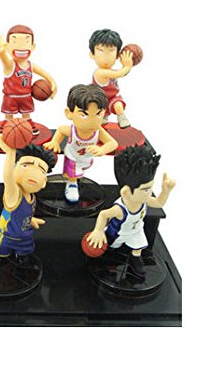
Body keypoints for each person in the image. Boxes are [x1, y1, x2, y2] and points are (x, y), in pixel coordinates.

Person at [85, 145, 176, 277]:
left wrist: (166, 190)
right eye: (145, 190)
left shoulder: (143, 200)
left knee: (138, 247)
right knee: (110, 248)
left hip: (135, 231)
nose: (149, 193)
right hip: (117, 234)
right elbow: (103, 214)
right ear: (127, 192)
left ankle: (135, 259)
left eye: (150, 188)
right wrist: (98, 231)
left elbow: (158, 203)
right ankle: (106, 257)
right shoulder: (120, 209)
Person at [0, 136, 56, 279]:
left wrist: (31, 220)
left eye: (41, 170)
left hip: (25, 236)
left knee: (25, 253)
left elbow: (24, 213)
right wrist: (10, 154)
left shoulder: (32, 197)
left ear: (44, 182)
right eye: (26, 165)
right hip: (6, 236)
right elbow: (7, 178)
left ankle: (21, 259)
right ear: (15, 169)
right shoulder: (14, 194)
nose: (34, 172)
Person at [44, 84, 118, 203]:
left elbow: (113, 143)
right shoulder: (72, 131)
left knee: (80, 172)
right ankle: (72, 185)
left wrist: (102, 149)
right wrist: (55, 142)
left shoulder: (98, 131)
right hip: (72, 157)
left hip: (86, 158)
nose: (92, 121)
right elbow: (61, 129)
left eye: (98, 114)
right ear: (69, 113)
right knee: (72, 175)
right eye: (84, 115)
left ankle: (75, 181)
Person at [0, 24, 57, 135]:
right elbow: (4, 59)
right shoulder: (10, 65)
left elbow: (44, 73)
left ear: (33, 46)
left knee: (26, 114)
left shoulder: (30, 65)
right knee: (9, 115)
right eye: (14, 41)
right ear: (7, 46)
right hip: (11, 96)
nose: (21, 46)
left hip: (26, 95)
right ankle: (6, 125)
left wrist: (52, 82)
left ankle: (28, 124)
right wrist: (1, 52)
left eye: (26, 42)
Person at [89, 28, 134, 128]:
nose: (106, 56)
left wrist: (127, 67)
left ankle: (121, 118)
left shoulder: (111, 71)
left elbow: (120, 73)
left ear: (117, 55)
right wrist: (127, 66)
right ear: (92, 54)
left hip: (112, 97)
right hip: (99, 100)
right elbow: (120, 73)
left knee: (118, 104)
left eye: (111, 51)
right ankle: (105, 118)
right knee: (103, 111)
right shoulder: (100, 72)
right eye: (100, 51)